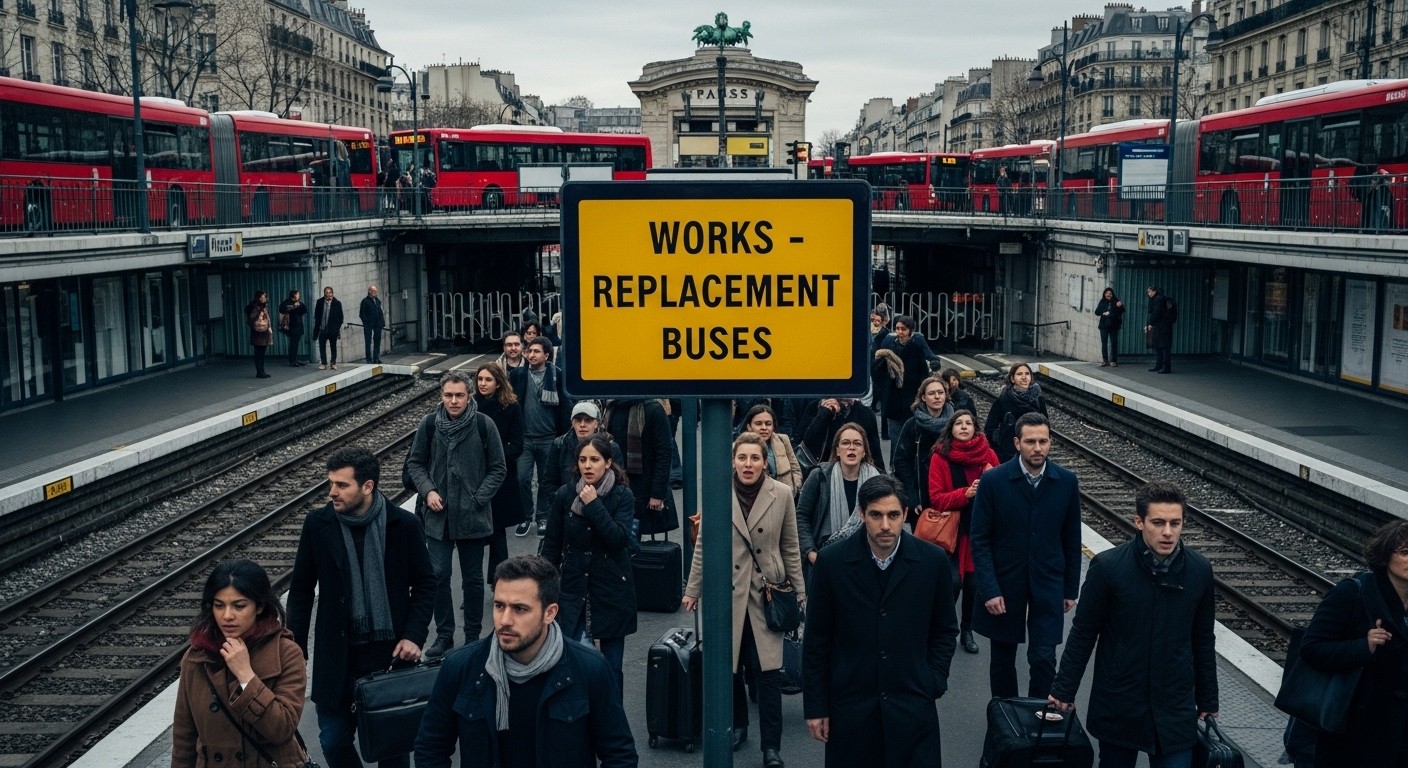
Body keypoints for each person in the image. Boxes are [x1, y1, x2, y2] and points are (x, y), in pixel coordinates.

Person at [1048, 481, 1219, 768]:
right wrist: (1064, 690)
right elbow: (1083, 633)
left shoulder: (1199, 571)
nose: (1168, 532)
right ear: (1139, 522)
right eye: (1158, 522)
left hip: (1174, 706)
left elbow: (1202, 639)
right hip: (1120, 702)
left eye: (1175, 523)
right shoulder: (1108, 568)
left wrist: (1208, 700)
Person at [413, 555, 638, 767]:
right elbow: (431, 747)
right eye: (499, 606)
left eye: (520, 609)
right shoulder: (461, 666)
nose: (505, 620)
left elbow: (619, 753)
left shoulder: (590, 669)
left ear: (549, 613)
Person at [287, 447, 436, 768]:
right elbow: (300, 591)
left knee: (393, 749)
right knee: (332, 740)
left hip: (390, 656)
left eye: (342, 485)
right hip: (336, 657)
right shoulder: (318, 525)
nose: (332, 492)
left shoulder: (404, 525)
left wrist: (414, 636)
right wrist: (295, 647)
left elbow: (425, 584)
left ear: (367, 486)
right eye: (331, 484)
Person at [802, 475, 958, 768]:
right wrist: (816, 706)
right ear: (861, 514)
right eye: (876, 515)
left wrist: (933, 681)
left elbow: (945, 630)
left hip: (912, 707)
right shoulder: (831, 563)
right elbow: (816, 641)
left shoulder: (933, 561)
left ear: (905, 514)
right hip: (851, 710)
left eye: (893, 515)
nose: (885, 525)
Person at [683, 431, 805, 768]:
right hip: (728, 593)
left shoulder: (781, 494)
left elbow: (791, 546)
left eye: (755, 458)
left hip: (767, 594)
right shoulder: (718, 492)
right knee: (731, 668)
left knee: (768, 674)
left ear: (765, 462)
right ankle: (739, 726)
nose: (748, 464)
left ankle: (771, 747)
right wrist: (693, 590)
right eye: (742, 458)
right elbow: (703, 546)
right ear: (733, 462)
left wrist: (801, 592)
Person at [969, 412, 1082, 700]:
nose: (1037, 448)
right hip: (1004, 584)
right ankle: (1005, 719)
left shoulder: (1066, 482)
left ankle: (1038, 718)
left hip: (1048, 582)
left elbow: (1071, 539)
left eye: (1043, 441)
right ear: (1017, 443)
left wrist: (1070, 589)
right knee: (1003, 660)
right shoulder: (994, 481)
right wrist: (989, 590)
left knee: (1044, 659)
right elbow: (980, 540)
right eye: (1030, 441)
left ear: (1050, 442)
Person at [405, 371, 507, 659]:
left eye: (459, 395)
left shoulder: (484, 425)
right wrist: (428, 491)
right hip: (438, 517)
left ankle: (472, 636)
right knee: (438, 575)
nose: (453, 400)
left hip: (472, 516)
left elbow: (498, 468)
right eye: (448, 395)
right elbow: (415, 464)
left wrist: (478, 497)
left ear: (469, 396)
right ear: (441, 396)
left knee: (473, 579)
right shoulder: (429, 425)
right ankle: (444, 635)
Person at [171, 559, 307, 768]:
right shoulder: (196, 657)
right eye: (219, 605)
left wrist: (246, 675)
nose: (227, 616)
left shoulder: (286, 653)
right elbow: (184, 739)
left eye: (239, 606)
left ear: (259, 606)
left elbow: (282, 729)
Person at [1298, 519, 1408, 768]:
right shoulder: (1353, 593)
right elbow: (1311, 648)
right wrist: (1363, 646)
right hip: (1352, 730)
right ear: (1385, 556)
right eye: (1404, 552)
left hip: (1400, 736)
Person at [540, 434, 638, 697]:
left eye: (595, 460)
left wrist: (593, 504)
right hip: (573, 588)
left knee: (611, 667)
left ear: (608, 463)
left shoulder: (622, 495)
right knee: (569, 658)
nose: (588, 466)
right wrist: (543, 587)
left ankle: (612, 722)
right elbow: (552, 543)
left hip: (611, 589)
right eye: (583, 460)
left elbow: (618, 539)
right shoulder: (565, 494)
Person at [926, 408, 997, 656]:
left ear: (976, 428)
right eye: (959, 423)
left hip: (980, 531)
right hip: (952, 531)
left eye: (969, 423)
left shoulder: (989, 455)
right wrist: (965, 494)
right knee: (953, 582)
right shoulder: (940, 456)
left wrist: (990, 482)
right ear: (951, 429)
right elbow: (936, 498)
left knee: (974, 584)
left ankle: (967, 630)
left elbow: (1003, 493)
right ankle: (944, 628)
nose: (964, 427)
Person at [796, 423, 882, 585]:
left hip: (866, 559)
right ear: (836, 450)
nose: (851, 448)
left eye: (857, 443)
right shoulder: (819, 477)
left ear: (864, 451)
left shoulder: (876, 481)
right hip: (826, 558)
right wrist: (810, 552)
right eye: (845, 443)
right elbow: (802, 516)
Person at [509, 337, 572, 537]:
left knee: (546, 481)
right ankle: (525, 516)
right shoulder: (518, 374)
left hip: (549, 438)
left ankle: (542, 517)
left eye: (537, 351)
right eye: (530, 351)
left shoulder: (557, 374)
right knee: (522, 479)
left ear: (546, 355)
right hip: (525, 438)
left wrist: (562, 436)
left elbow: (564, 406)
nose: (532, 355)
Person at [473, 363, 525, 586]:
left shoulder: (511, 406)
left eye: (488, 380)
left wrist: (495, 457)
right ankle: (472, 583)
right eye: (480, 379)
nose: (482, 384)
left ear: (498, 382)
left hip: (500, 478)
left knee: (496, 533)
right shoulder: (470, 405)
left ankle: (499, 582)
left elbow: (518, 443)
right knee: (473, 536)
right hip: (473, 477)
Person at [604, 397, 676, 536]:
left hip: (644, 488)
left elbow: (664, 454)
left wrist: (657, 494)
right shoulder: (612, 408)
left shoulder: (653, 409)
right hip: (616, 486)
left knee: (637, 543)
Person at [891, 375, 954, 516]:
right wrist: (912, 497)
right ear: (923, 397)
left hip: (950, 493)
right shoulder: (912, 425)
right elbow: (901, 461)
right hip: (921, 494)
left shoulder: (955, 423)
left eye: (940, 392)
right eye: (932, 393)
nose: (937, 397)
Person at [876, 315, 942, 442]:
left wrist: (934, 362)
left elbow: (924, 368)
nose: (900, 332)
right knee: (895, 437)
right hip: (892, 396)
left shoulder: (917, 344)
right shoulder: (889, 342)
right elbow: (879, 362)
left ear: (910, 330)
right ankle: (894, 461)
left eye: (903, 329)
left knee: (910, 435)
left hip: (910, 396)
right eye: (897, 328)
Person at [546, 401, 626, 488]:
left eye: (588, 420)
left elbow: (619, 482)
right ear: (572, 423)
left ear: (596, 424)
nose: (582, 424)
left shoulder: (611, 447)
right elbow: (549, 482)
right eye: (578, 420)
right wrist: (562, 499)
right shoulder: (559, 445)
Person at [983, 362, 1048, 464]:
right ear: (1012, 379)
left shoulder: (1038, 399)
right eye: (1019, 374)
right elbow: (990, 428)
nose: (1024, 377)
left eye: (1027, 374)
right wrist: (1001, 444)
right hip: (1008, 455)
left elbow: (1046, 425)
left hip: (1034, 453)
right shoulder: (1003, 400)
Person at [801, 397, 886, 473]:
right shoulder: (815, 407)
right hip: (823, 472)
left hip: (857, 471)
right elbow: (806, 444)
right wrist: (823, 414)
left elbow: (875, 453)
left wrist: (882, 478)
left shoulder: (864, 413)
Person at [743, 403, 803, 496]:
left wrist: (794, 489)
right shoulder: (740, 447)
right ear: (749, 427)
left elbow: (795, 468)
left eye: (768, 424)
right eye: (758, 424)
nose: (764, 428)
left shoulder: (783, 440)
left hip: (783, 498)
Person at [312, 285, 344, 371]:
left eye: (330, 293)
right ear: (324, 294)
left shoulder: (337, 303)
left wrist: (337, 328)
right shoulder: (319, 302)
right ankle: (323, 363)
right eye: (326, 293)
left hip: (333, 330)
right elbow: (316, 315)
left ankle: (333, 363)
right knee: (322, 346)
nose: (328, 295)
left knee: (333, 346)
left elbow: (341, 318)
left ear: (332, 294)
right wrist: (317, 328)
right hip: (322, 329)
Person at [1145, 285, 1175, 374]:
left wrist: (1150, 323)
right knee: (1162, 346)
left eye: (1149, 292)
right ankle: (1161, 366)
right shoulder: (1166, 299)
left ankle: (1163, 367)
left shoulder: (1158, 299)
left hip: (1161, 326)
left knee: (1162, 347)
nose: (1148, 294)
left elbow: (1156, 312)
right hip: (1166, 325)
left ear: (1154, 291)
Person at [245, 290, 273, 379]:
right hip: (259, 332)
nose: (265, 298)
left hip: (262, 333)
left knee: (261, 352)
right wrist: (257, 323)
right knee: (259, 353)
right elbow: (251, 319)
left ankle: (261, 371)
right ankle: (260, 372)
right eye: (263, 296)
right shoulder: (257, 307)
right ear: (259, 298)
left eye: (265, 296)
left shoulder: (261, 306)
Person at [1095, 287, 1125, 367]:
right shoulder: (1102, 302)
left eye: (1110, 294)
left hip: (1114, 325)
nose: (1108, 295)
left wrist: (1120, 306)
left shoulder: (1116, 301)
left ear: (1112, 295)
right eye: (1107, 293)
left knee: (1114, 343)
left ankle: (1114, 360)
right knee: (1104, 343)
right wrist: (1103, 313)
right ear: (1104, 294)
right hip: (1104, 325)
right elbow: (1097, 312)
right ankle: (1105, 360)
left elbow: (1122, 311)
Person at [278, 289, 308, 367]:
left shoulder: (299, 303)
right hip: (291, 326)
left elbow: (304, 309)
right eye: (298, 294)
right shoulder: (287, 302)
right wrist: (293, 307)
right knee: (293, 344)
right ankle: (292, 361)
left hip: (298, 326)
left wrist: (298, 306)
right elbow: (282, 309)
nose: (299, 296)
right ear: (294, 295)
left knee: (296, 344)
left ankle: (295, 360)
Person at [360, 284, 386, 364]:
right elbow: (362, 314)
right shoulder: (365, 301)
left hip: (377, 324)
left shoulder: (377, 301)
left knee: (377, 341)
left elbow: (380, 312)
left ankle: (376, 358)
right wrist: (366, 322)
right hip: (368, 325)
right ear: (369, 291)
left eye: (375, 291)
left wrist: (382, 322)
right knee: (368, 342)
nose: (374, 292)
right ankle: (369, 359)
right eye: (373, 291)